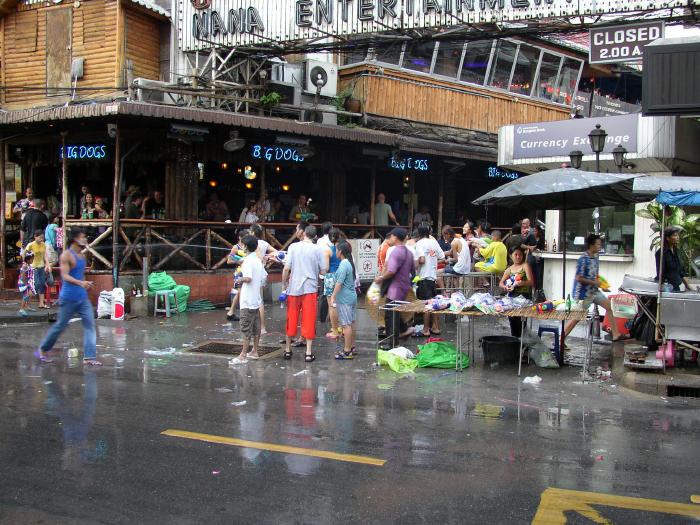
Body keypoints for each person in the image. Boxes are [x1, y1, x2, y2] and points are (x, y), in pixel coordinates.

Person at [36, 228, 100, 366]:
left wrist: (85, 284)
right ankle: (43, 348)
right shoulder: (66, 255)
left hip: (82, 298)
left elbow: (80, 274)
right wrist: (81, 283)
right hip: (68, 298)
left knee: (90, 325)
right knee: (60, 326)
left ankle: (89, 357)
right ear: (76, 239)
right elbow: (64, 276)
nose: (85, 239)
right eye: (83, 237)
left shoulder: (82, 256)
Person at [563, 234, 624, 346]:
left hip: (594, 291)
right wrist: (595, 283)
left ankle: (616, 334)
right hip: (583, 294)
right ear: (591, 245)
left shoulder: (595, 258)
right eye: (598, 244)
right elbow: (579, 278)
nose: (600, 246)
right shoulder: (583, 259)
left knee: (609, 307)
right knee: (577, 318)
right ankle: (561, 338)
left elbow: (595, 276)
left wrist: (602, 286)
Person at [282, 225, 327, 362]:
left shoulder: (293, 247)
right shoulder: (318, 249)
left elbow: (286, 268)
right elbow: (323, 271)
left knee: (292, 317)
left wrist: (284, 284)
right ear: (315, 236)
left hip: (294, 288)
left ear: (304, 233)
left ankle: (288, 350)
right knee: (309, 319)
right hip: (310, 288)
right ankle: (308, 353)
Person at [374, 228, 414, 348]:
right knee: (393, 312)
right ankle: (403, 331)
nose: (389, 239)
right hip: (404, 286)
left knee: (391, 315)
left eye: (390, 236)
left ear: (395, 237)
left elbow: (391, 271)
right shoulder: (409, 252)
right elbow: (413, 269)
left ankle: (393, 343)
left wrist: (380, 278)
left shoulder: (396, 251)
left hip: (395, 288)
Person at [234, 235, 268, 363]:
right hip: (256, 300)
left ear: (246, 246)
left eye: (242, 244)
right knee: (256, 327)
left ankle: (243, 354)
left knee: (245, 327)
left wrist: (239, 279)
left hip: (247, 300)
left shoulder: (248, 261)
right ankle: (254, 351)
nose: (241, 246)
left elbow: (248, 278)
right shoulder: (257, 260)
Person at [415, 224, 445, 337]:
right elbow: (442, 256)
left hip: (424, 277)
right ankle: (436, 327)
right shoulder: (433, 242)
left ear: (419, 233)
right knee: (433, 303)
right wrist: (432, 257)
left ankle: (426, 329)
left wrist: (412, 264)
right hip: (433, 277)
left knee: (426, 305)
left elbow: (421, 260)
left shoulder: (419, 243)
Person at [331, 241, 358, 360]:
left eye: (336, 250)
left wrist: (332, 296)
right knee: (351, 323)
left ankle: (347, 351)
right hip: (351, 296)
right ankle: (352, 347)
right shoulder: (349, 263)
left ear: (340, 251)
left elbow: (339, 283)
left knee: (346, 325)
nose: (335, 252)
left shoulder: (343, 264)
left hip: (345, 298)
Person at [499, 247, 535, 337]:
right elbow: (501, 283)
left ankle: (523, 344)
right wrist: (505, 287)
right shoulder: (509, 269)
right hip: (512, 298)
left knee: (521, 322)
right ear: (511, 256)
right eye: (516, 254)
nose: (518, 257)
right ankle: (515, 343)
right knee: (512, 321)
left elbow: (531, 282)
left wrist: (523, 283)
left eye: (520, 255)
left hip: (524, 298)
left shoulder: (525, 266)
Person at [250, 223, 275, 334]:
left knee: (257, 301)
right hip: (262, 273)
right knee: (259, 301)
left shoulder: (252, 243)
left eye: (250, 231)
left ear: (253, 232)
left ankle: (262, 327)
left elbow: (257, 256)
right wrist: (268, 257)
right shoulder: (264, 243)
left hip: (255, 274)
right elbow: (275, 251)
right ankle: (261, 327)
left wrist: (263, 257)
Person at [656, 226, 697, 292]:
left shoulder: (677, 251)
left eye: (678, 235)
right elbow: (660, 273)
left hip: (676, 288)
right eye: (675, 235)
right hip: (667, 289)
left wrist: (688, 285)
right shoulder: (661, 253)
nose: (678, 237)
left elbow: (681, 271)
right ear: (667, 238)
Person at [322, 228, 342, 340]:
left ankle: (335, 330)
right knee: (342, 303)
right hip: (343, 276)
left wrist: (321, 272)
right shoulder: (344, 248)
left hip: (331, 277)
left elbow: (326, 268)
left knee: (332, 305)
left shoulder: (327, 250)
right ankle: (343, 328)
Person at [25, 229, 51, 309]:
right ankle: (26, 303)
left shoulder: (43, 245)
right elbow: (24, 254)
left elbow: (45, 256)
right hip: (33, 268)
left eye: (42, 238)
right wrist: (26, 264)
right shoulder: (31, 245)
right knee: (36, 285)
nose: (41, 239)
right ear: (35, 237)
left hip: (41, 267)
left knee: (42, 284)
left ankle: (41, 303)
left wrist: (47, 265)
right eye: (40, 237)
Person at [226, 229, 249, 321]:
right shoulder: (236, 247)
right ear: (240, 237)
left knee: (240, 292)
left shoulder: (248, 246)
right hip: (239, 272)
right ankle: (235, 313)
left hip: (246, 271)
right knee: (240, 292)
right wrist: (239, 260)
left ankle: (231, 312)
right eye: (245, 237)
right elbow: (229, 261)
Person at [17, 251, 36, 317]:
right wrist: (26, 284)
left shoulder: (28, 265)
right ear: (28, 259)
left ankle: (27, 306)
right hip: (24, 282)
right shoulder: (25, 266)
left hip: (27, 282)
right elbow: (22, 276)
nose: (33, 260)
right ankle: (21, 309)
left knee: (30, 294)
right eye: (32, 259)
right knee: (27, 295)